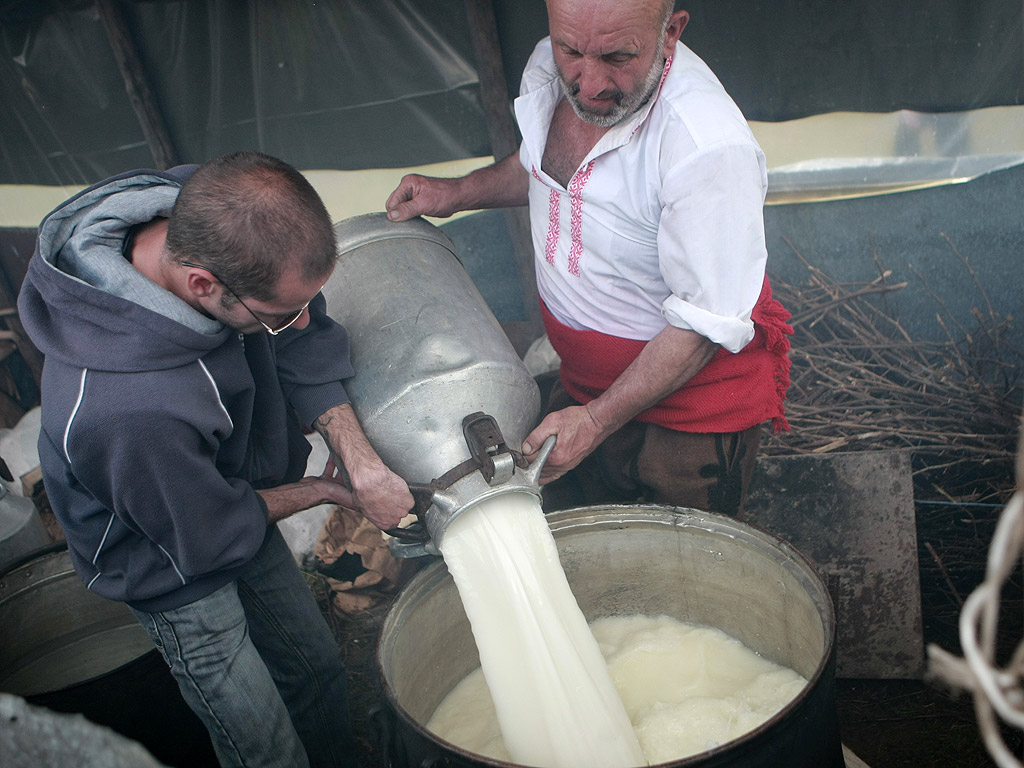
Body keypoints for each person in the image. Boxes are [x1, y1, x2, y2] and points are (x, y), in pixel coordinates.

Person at [18, 151, 415, 768]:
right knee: (264, 742)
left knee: (315, 667)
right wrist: (321, 491)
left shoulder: (214, 210)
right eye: (279, 316)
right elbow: (202, 532)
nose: (301, 319)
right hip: (170, 557)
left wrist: (359, 460)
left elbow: (305, 336)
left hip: (229, 493)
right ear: (202, 285)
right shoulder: (124, 407)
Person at [385, 0, 792, 517]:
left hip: (692, 414)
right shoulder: (551, 67)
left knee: (684, 574)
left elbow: (703, 324)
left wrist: (597, 422)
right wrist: (459, 192)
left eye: (617, 57)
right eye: (571, 50)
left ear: (671, 33)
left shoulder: (705, 147)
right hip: (585, 386)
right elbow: (546, 168)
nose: (590, 83)